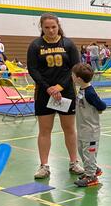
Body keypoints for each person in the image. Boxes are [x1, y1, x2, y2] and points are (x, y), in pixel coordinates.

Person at [27, 13, 83, 179]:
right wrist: (48, 88)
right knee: (44, 130)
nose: (50, 30)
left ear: (58, 26)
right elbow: (33, 69)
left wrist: (59, 87)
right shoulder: (35, 46)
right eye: (47, 27)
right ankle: (44, 166)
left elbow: (75, 68)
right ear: (41, 28)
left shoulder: (68, 44)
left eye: (53, 27)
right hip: (44, 94)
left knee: (69, 129)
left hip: (66, 93)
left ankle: (74, 162)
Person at [71, 63, 107, 187]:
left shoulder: (90, 93)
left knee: (89, 153)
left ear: (79, 79)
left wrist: (99, 109)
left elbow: (102, 106)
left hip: (91, 130)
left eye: (73, 75)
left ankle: (91, 177)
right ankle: (93, 169)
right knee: (82, 151)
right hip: (82, 127)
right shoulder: (81, 89)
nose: (72, 77)